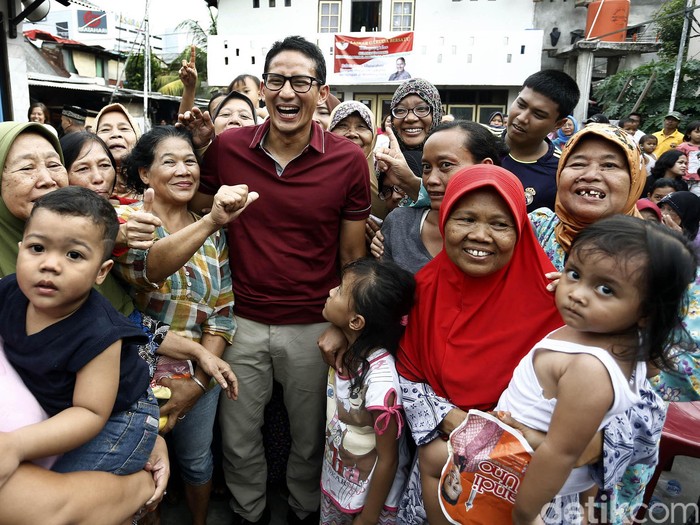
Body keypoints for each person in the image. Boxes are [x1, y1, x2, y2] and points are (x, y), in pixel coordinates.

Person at [182, 35, 370, 525]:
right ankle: (248, 512)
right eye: (277, 81)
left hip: (312, 326)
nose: (288, 92)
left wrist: (343, 330)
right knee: (239, 435)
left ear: (322, 91)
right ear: (263, 90)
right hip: (238, 323)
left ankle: (307, 510)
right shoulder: (228, 148)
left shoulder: (348, 159)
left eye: (301, 81)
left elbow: (352, 255)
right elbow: (200, 208)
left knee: (311, 437)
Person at [498, 215, 697, 525]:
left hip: (520, 484)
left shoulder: (589, 370)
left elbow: (560, 453)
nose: (577, 294)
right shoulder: (626, 343)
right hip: (551, 478)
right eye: (574, 273)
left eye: (606, 289)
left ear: (645, 311)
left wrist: (524, 515)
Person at [396, 165, 565, 525]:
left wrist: (494, 436)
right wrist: (454, 420)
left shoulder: (556, 305)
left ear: (520, 228)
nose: (480, 235)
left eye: (500, 224)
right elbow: (405, 376)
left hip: (522, 485)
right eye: (466, 219)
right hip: (437, 466)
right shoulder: (422, 289)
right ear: (445, 221)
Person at [113, 126, 249, 525]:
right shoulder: (127, 222)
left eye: (190, 161)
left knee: (196, 460)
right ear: (144, 174)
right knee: (137, 465)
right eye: (168, 161)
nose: (183, 170)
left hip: (199, 371)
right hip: (133, 372)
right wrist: (211, 221)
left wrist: (200, 382)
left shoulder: (215, 235)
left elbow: (223, 312)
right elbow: (145, 271)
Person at [0, 186, 159, 481]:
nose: (50, 264)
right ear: (21, 248)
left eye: (74, 254)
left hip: (118, 418)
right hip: (61, 405)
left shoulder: (100, 334)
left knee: (47, 489)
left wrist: (16, 445)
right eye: (37, 248)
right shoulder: (9, 291)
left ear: (102, 270)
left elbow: (89, 413)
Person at [320, 258, 415, 525]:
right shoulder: (349, 352)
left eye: (339, 290)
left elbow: (388, 459)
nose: (330, 291)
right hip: (341, 481)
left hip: (368, 501)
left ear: (356, 322)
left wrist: (369, 516)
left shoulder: (381, 382)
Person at [370, 120, 508, 274]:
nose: (431, 179)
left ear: (484, 167)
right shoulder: (400, 224)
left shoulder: (510, 230)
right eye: (427, 167)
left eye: (445, 165)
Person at [501, 69, 580, 212]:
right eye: (521, 104)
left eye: (538, 115)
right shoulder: (476, 140)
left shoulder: (560, 172)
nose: (522, 118)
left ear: (558, 124)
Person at [374, 78, 443, 206]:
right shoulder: (384, 163)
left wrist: (410, 182)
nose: (410, 118)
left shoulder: (451, 160)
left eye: (421, 109)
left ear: (436, 113)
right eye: (400, 110)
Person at [329, 100, 385, 219]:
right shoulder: (315, 172)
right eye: (342, 125)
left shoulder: (386, 175)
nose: (352, 134)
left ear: (373, 136)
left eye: (361, 126)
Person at [95, 103, 141, 201]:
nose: (116, 134)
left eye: (124, 129)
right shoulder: (83, 186)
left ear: (137, 136)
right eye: (105, 130)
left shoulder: (151, 181)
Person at [674, 120, 700, 188]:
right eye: (697, 132)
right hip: (685, 179)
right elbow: (676, 162)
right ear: (689, 134)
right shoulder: (683, 146)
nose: (699, 134)